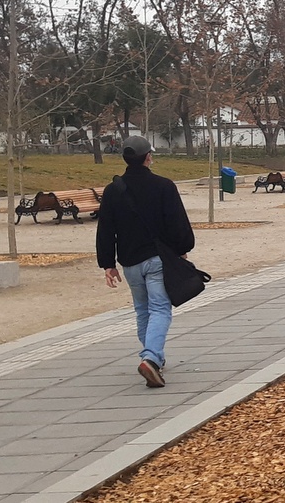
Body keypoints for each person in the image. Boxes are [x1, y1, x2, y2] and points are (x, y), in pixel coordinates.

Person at [97, 136, 195, 388]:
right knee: (160, 309)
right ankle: (150, 357)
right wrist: (182, 249)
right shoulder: (163, 186)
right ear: (148, 157)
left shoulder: (113, 190)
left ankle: (154, 359)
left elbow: (106, 229)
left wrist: (108, 263)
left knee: (142, 310)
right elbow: (177, 223)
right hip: (157, 259)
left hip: (130, 261)